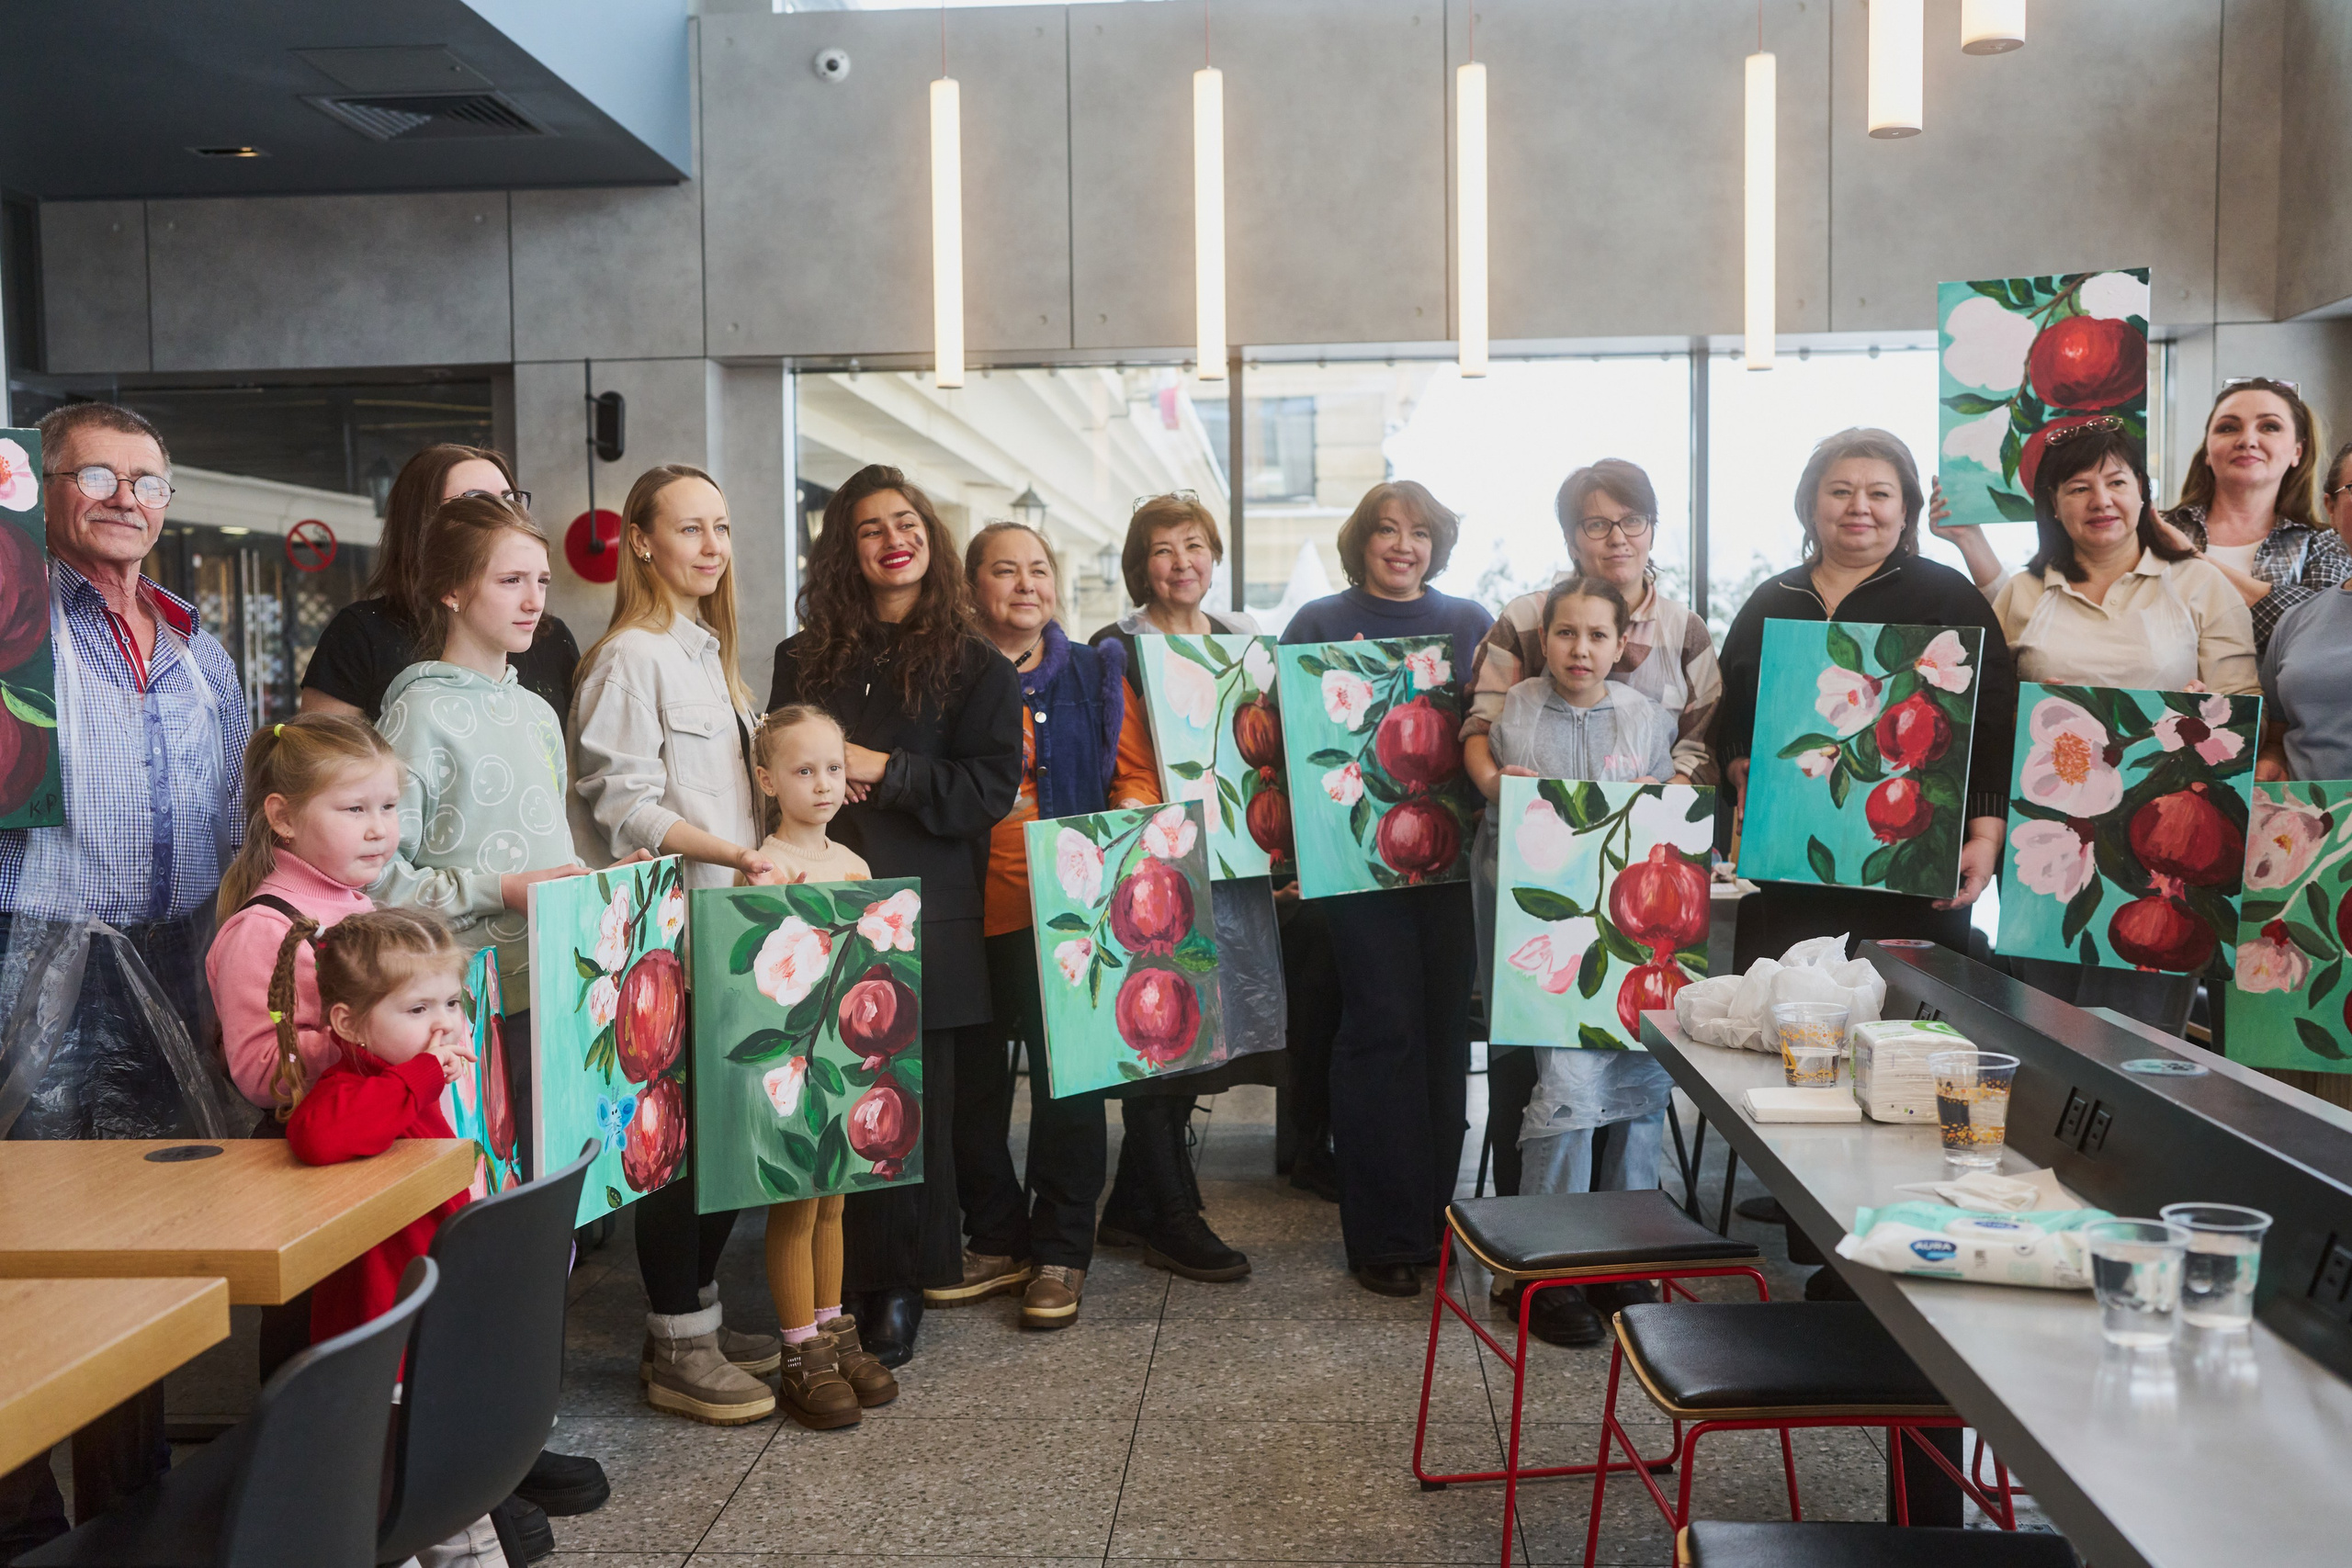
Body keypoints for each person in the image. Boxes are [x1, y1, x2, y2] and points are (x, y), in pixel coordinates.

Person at [0, 401, 253, 1558]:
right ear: (45, 491)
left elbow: (240, 813)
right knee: (30, 1263)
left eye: (146, 479)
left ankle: (127, 1506)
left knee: (146, 1253)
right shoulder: (13, 620)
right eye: (92, 474)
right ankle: (20, 1516)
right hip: (29, 959)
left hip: (169, 957)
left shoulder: (199, 643)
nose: (123, 498)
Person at [768, 464, 1022, 1367]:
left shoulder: (975, 665)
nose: (891, 538)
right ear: (847, 549)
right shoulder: (800, 661)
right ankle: (833, 1291)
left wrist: (879, 765)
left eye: (905, 521)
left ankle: (904, 1284)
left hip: (931, 918)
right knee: (839, 1105)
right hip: (823, 908)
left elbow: (986, 792)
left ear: (930, 538)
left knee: (919, 1121)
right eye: (869, 527)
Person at [567, 464, 782, 1426]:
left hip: (737, 926)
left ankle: (698, 1317)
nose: (711, 546)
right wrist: (735, 850)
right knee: (679, 1155)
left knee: (724, 1143)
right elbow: (623, 810)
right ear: (640, 541)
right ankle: (676, 1344)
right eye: (690, 529)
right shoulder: (630, 658)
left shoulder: (708, 655)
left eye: (722, 529)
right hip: (673, 937)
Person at [1462, 459, 1722, 1195]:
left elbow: (1696, 756)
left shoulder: (1663, 679)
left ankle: (1627, 1241)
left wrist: (1660, 806)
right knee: (1553, 1074)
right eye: (1595, 521)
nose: (1615, 535)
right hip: (1537, 912)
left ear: (1620, 644)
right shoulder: (1518, 686)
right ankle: (1548, 1249)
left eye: (1629, 518)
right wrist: (1496, 788)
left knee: (1637, 1064)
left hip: (1637, 910)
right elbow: (1476, 733)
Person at [948, 521, 1164, 1329]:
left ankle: (1063, 1247)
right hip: (971, 907)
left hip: (1071, 912)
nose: (1026, 584)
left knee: (1070, 1086)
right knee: (971, 1087)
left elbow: (1136, 777)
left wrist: (1116, 840)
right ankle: (998, 1232)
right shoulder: (948, 673)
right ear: (974, 587)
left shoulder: (1097, 675)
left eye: (1039, 569)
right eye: (1005, 570)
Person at [1280, 479, 1494, 1297]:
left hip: (1451, 865)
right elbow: (1292, 749)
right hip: (1353, 871)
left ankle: (1435, 1221)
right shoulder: (1318, 626)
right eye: (1385, 531)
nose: (1403, 544)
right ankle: (1380, 1235)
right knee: (1381, 1030)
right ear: (1360, 542)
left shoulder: (1472, 623)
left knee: (1443, 1034)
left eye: (1419, 531)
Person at [1975, 419, 2256, 1032]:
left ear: (2142, 493)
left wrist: (2210, 708)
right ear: (2052, 503)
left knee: (2141, 1044)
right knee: (2043, 1031)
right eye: (2077, 487)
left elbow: (2244, 707)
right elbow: (1991, 719)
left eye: (2115, 481)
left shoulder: (2199, 584)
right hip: (2048, 841)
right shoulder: (2021, 593)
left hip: (2171, 842)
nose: (2100, 500)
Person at [1713, 429, 2015, 972]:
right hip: (1793, 872)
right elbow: (1726, 706)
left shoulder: (1949, 597)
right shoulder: (1770, 601)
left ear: (1905, 512)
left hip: (1913, 877)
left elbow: (1994, 725)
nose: (1859, 508)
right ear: (1810, 507)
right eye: (1839, 492)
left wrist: (1987, 837)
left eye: (1879, 493)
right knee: (1794, 1030)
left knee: (1906, 1032)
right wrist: (1737, 759)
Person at [1466, 575, 1678, 1345]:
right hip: (1548, 934)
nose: (1580, 648)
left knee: (1638, 1087)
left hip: (1628, 935)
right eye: (1565, 633)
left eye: (1597, 635)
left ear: (1623, 644)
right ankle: (1543, 1264)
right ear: (1543, 638)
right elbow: (1503, 828)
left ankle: (1625, 1253)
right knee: (1563, 1094)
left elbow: (1659, 816)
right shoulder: (1515, 712)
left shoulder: (1644, 717)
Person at [1087, 492, 1275, 1280]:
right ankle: (1172, 1211)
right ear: (1141, 566)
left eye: (1194, 545)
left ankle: (1135, 1203)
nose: (1181, 562)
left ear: (1214, 554)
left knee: (1207, 1036)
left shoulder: (1247, 641)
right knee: (1160, 1029)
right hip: (1151, 859)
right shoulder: (1112, 648)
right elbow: (1104, 755)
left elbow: (1267, 745)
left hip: (1234, 861)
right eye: (1162, 549)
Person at [736, 705, 902, 1426]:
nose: (824, 783)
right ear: (769, 779)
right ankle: (799, 1347)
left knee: (835, 1196)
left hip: (843, 1052)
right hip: (792, 1060)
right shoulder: (767, 866)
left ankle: (833, 1329)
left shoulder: (855, 864)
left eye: (834, 768)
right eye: (804, 771)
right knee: (795, 1203)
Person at [283, 908, 476, 1338]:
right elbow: (317, 1136)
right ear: (349, 1025)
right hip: (384, 1324)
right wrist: (421, 1075)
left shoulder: (407, 1081)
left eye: (452, 1003)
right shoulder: (348, 1087)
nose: (444, 1023)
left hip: (427, 1299)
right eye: (418, 1009)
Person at [300, 444, 583, 726]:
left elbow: (568, 764)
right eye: (478, 502)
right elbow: (321, 763)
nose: (503, 515)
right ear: (425, 523)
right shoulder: (361, 633)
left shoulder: (549, 637)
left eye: (510, 500)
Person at [209, 716, 403, 1114]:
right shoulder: (262, 929)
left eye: (389, 807)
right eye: (355, 809)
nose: (379, 829)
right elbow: (260, 1075)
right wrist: (364, 1035)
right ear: (283, 817)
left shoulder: (357, 902)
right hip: (308, 1156)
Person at [2261, 439, 2352, 784]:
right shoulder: (2296, 620)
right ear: (2330, 507)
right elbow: (2277, 735)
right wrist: (2271, 758)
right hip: (2312, 829)